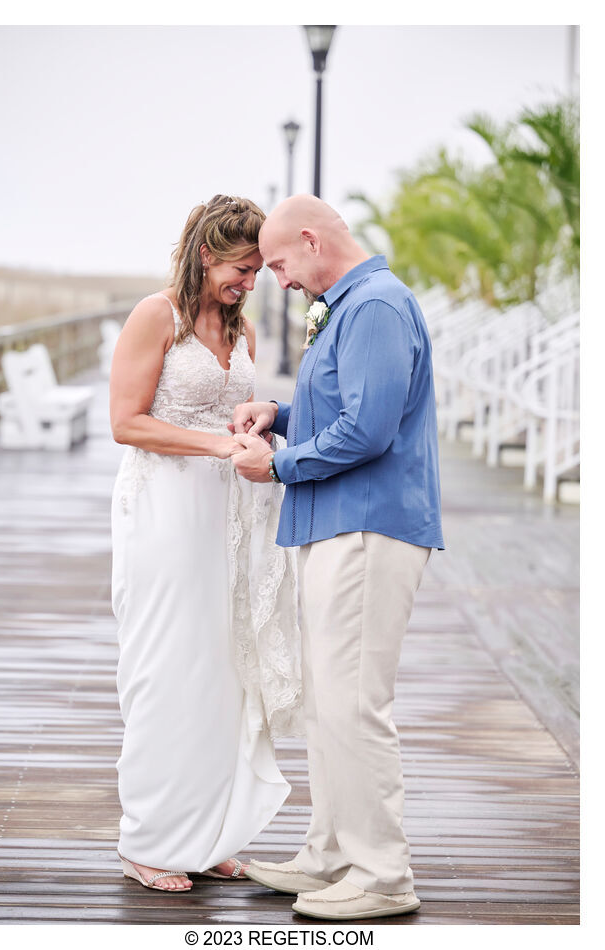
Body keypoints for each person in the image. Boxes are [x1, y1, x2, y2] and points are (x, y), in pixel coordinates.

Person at [231, 194, 444, 921]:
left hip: (368, 528)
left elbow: (370, 430)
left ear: (313, 241)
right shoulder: (349, 305)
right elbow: (343, 406)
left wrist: (280, 465)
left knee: (355, 704)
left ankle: (384, 874)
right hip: (338, 527)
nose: (280, 280)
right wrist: (281, 415)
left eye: (283, 263)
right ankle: (331, 853)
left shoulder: (377, 304)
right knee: (326, 704)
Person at [109, 194, 302, 893]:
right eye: (243, 269)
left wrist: (253, 438)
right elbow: (126, 423)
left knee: (224, 668)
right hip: (163, 513)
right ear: (205, 253)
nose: (250, 283)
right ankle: (148, 838)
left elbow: (240, 420)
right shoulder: (154, 317)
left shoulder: (243, 333)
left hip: (229, 515)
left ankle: (208, 830)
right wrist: (217, 444)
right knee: (168, 665)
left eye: (257, 273)